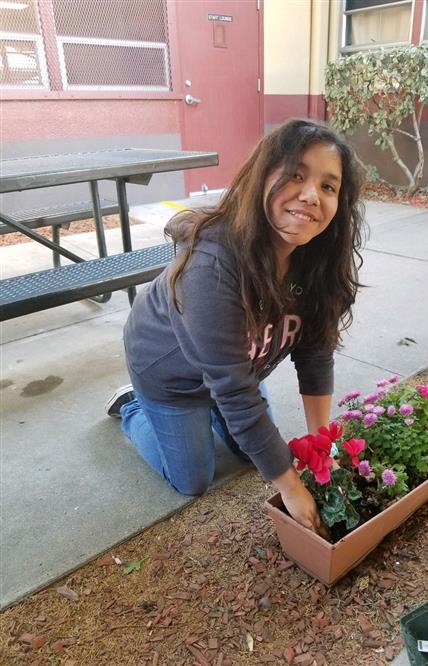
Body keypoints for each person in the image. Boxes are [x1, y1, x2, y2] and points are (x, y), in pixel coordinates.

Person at [106, 118, 364, 538]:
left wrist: (323, 445)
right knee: (193, 480)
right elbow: (235, 392)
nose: (311, 195)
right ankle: (137, 406)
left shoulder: (314, 259)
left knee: (254, 454)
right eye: (296, 175)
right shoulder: (213, 265)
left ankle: (205, 418)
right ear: (263, 176)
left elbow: (315, 354)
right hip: (171, 374)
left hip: (236, 368)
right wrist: (293, 488)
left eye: (329, 186)